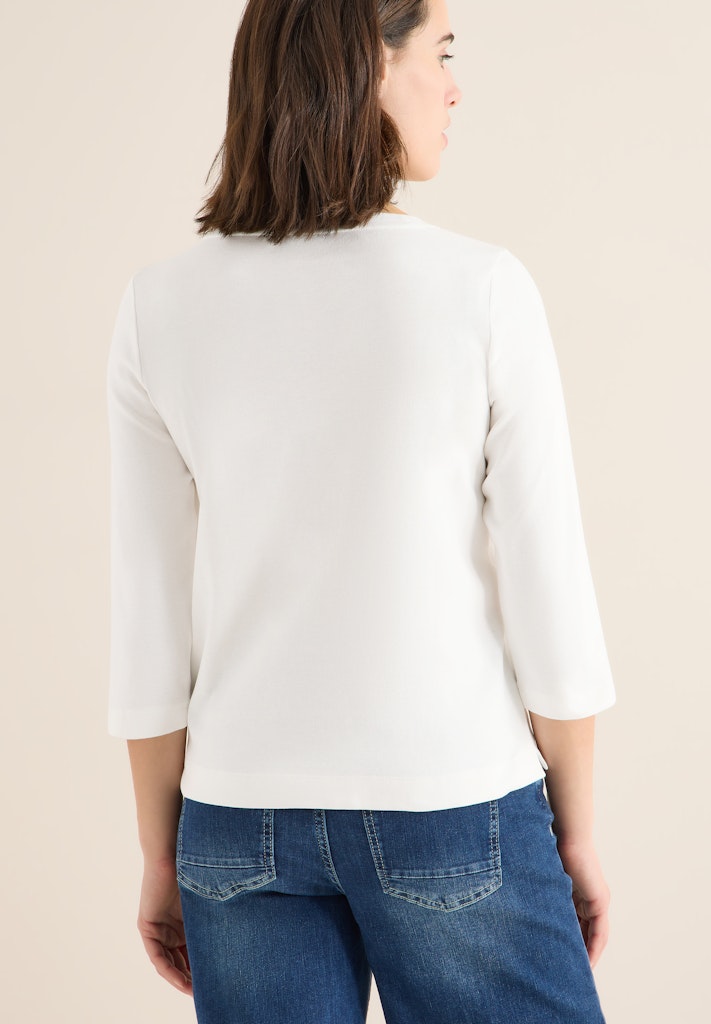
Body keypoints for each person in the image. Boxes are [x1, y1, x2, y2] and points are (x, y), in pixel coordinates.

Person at [106, 1, 616, 1021]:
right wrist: (576, 832)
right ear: (368, 66)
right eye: (441, 53)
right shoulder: (482, 290)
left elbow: (147, 622)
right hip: (450, 799)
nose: (455, 87)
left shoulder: (158, 306)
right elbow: (550, 595)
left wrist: (161, 852)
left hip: (236, 818)